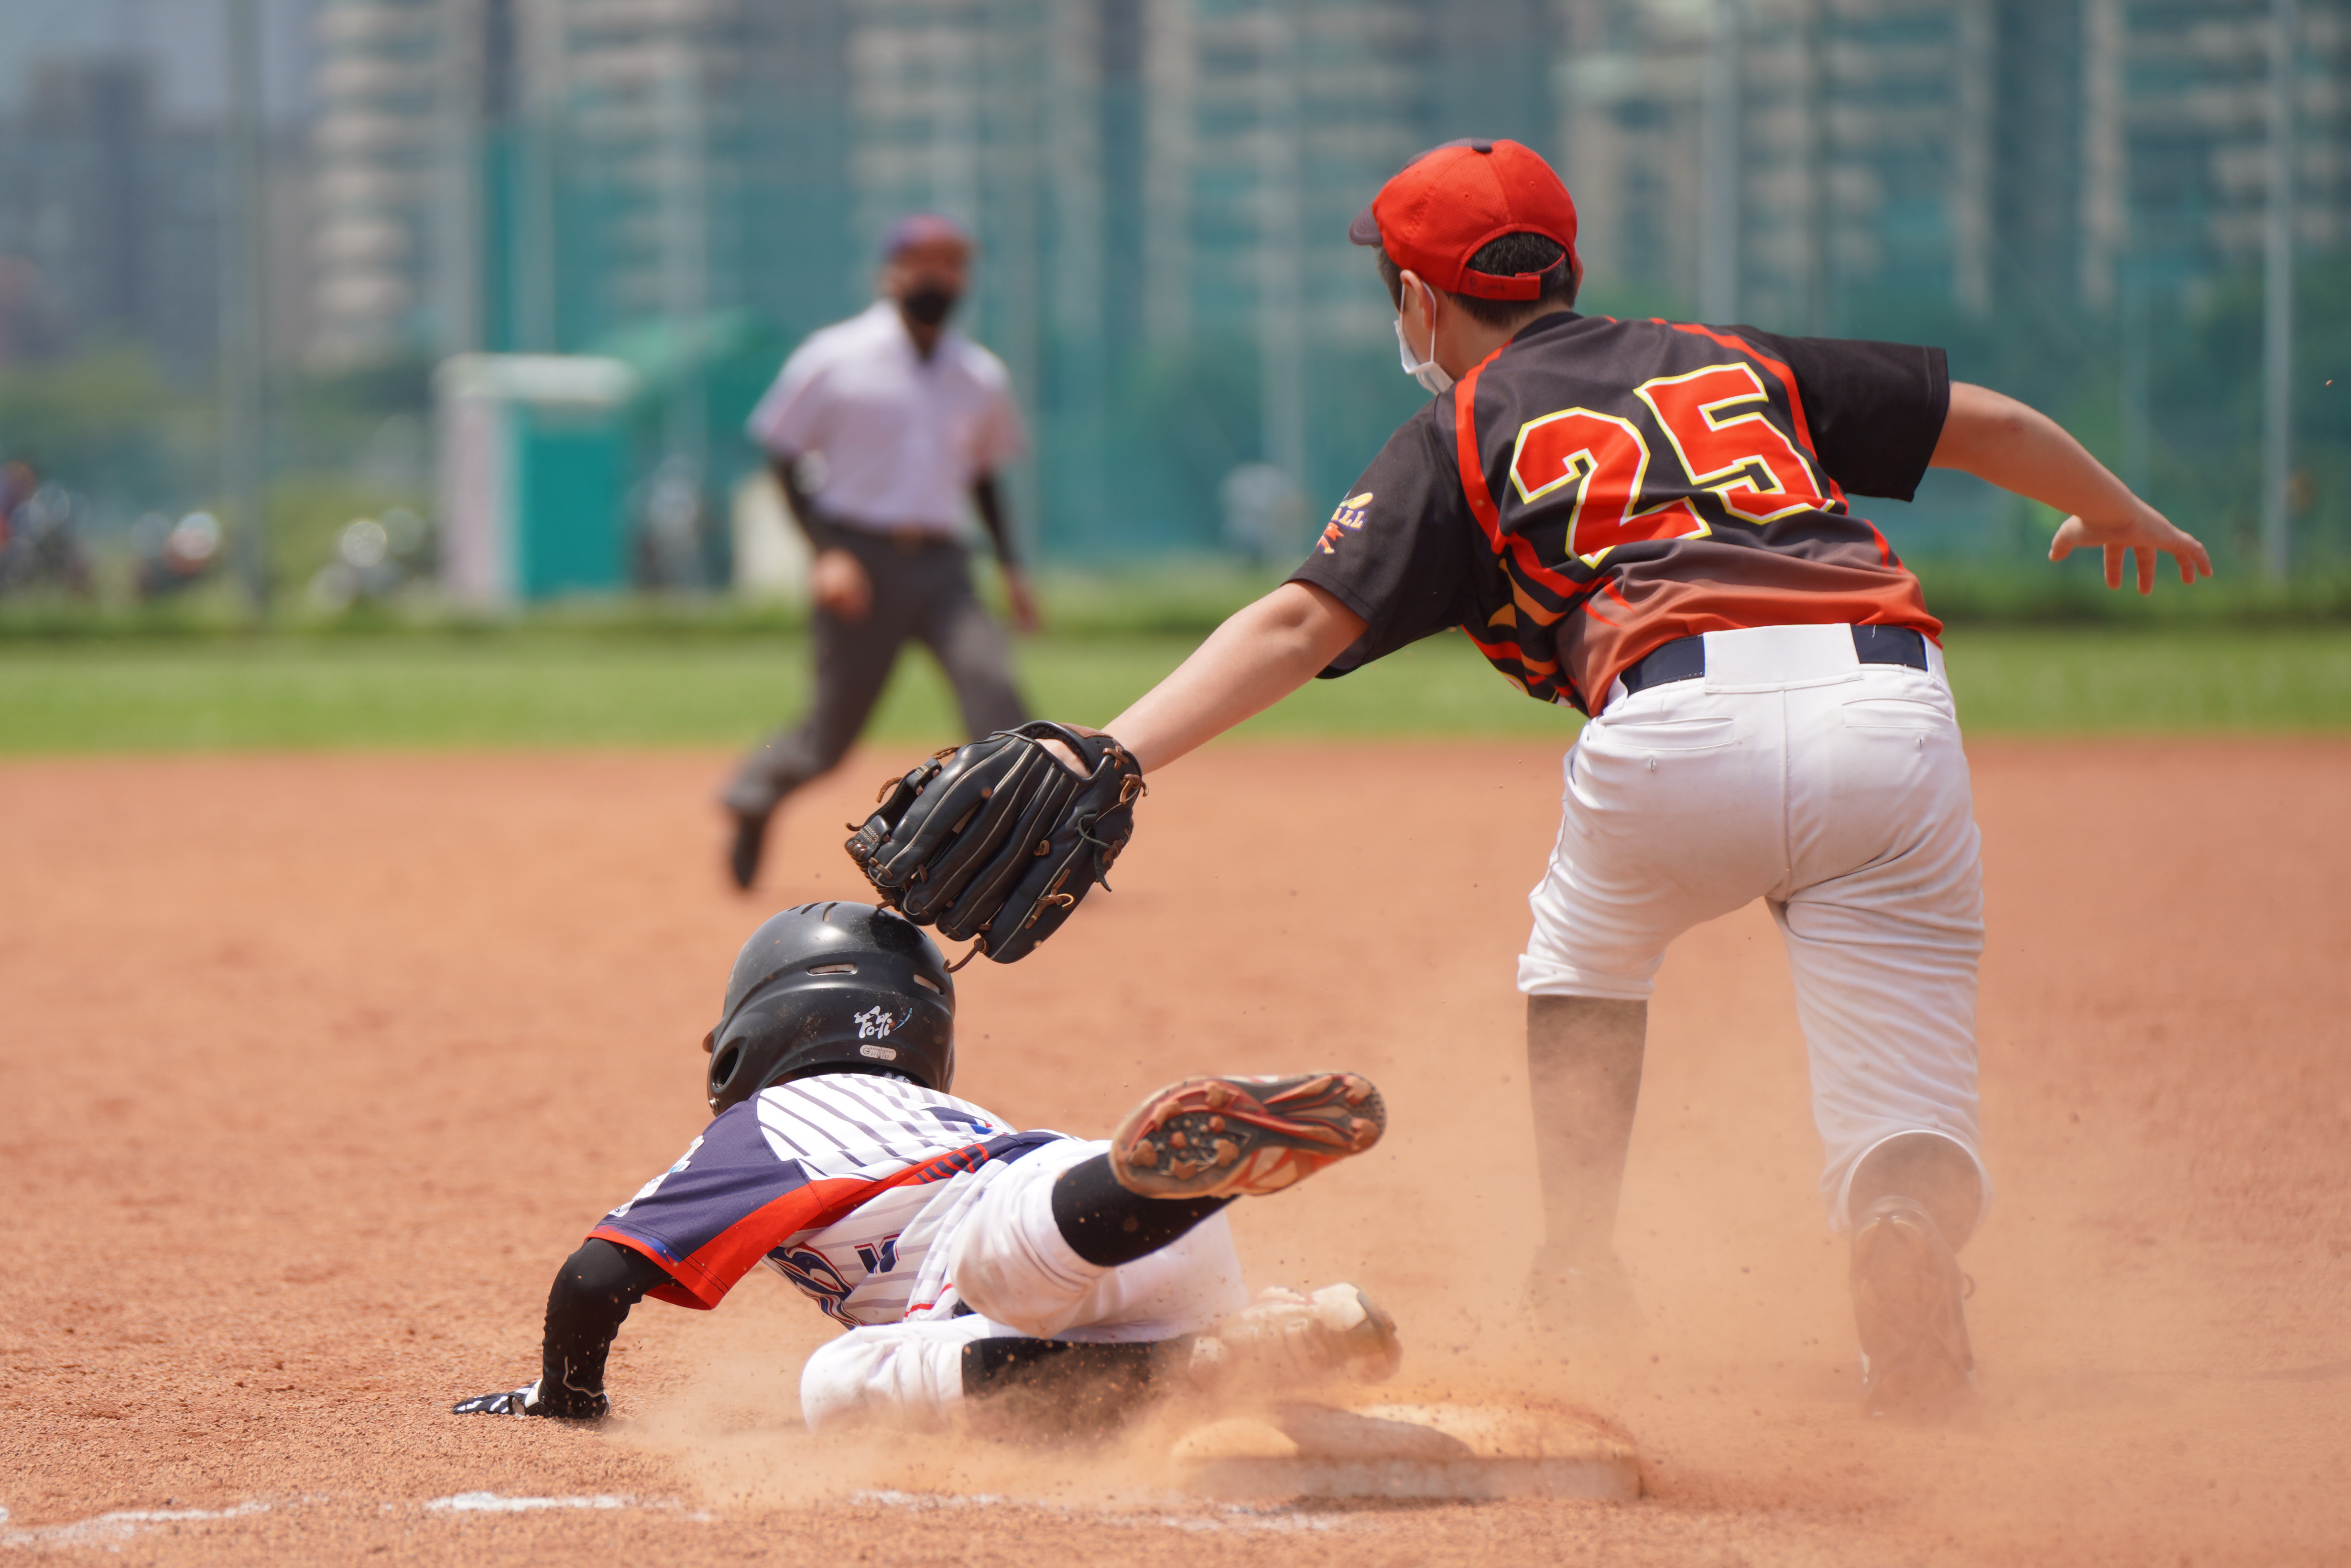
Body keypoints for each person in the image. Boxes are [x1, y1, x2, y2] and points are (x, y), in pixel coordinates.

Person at [1016, 139, 2211, 1416]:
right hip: (1884, 704)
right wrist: (2116, 510)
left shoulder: (1461, 425)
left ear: (1417, 300)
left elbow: (1299, 622)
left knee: (1584, 958)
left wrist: (1108, 749)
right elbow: (1989, 423)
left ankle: (1580, 1258)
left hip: (1671, 718)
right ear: (1564, 269)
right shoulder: (1732, 359)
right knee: (1903, 1071)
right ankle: (1898, 1219)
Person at [450, 903, 1399, 1430]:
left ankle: (1188, 1270)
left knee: (851, 1379)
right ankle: (1229, 1305)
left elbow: (597, 1274)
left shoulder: (773, 1120)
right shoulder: (947, 1113)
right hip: (1140, 1238)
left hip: (1025, 1245)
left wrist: (563, 1397)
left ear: (764, 1023)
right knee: (992, 1345)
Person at [721, 215, 1042, 892]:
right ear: (890, 274)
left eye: (952, 264)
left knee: (996, 694)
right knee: (830, 738)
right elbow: (783, 454)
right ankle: (754, 795)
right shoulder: (835, 356)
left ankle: (1018, 855)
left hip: (945, 565)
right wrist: (826, 553)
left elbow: (984, 477)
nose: (938, 277)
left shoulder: (978, 374)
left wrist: (1011, 567)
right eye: (924, 263)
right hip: (859, 559)